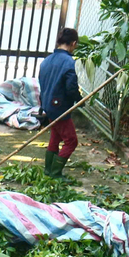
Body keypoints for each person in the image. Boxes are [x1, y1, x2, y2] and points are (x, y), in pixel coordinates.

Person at [38, 27, 82, 180]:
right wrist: (79, 99)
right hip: (60, 108)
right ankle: (56, 173)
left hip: (48, 106)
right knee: (71, 141)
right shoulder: (69, 62)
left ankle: (48, 171)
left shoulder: (46, 60)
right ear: (73, 43)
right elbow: (71, 87)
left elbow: (42, 83)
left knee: (55, 138)